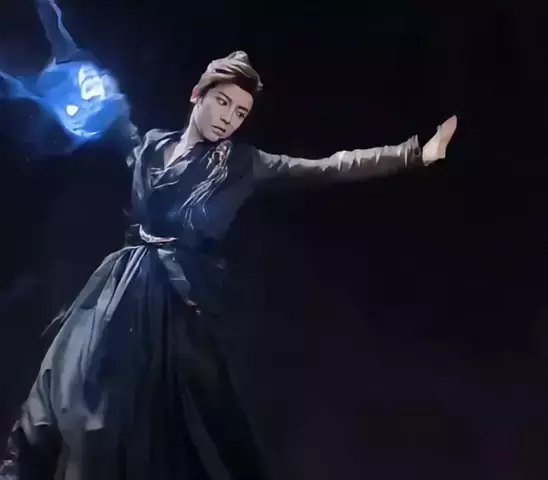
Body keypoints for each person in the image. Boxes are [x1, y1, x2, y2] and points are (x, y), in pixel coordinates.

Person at [0, 2, 458, 479]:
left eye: (240, 113)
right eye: (223, 103)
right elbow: (88, 84)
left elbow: (329, 166)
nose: (229, 119)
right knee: (55, 386)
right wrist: (52, 26)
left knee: (154, 424)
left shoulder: (243, 165)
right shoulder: (150, 144)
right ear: (197, 95)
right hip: (117, 288)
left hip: (176, 301)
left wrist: (415, 154)